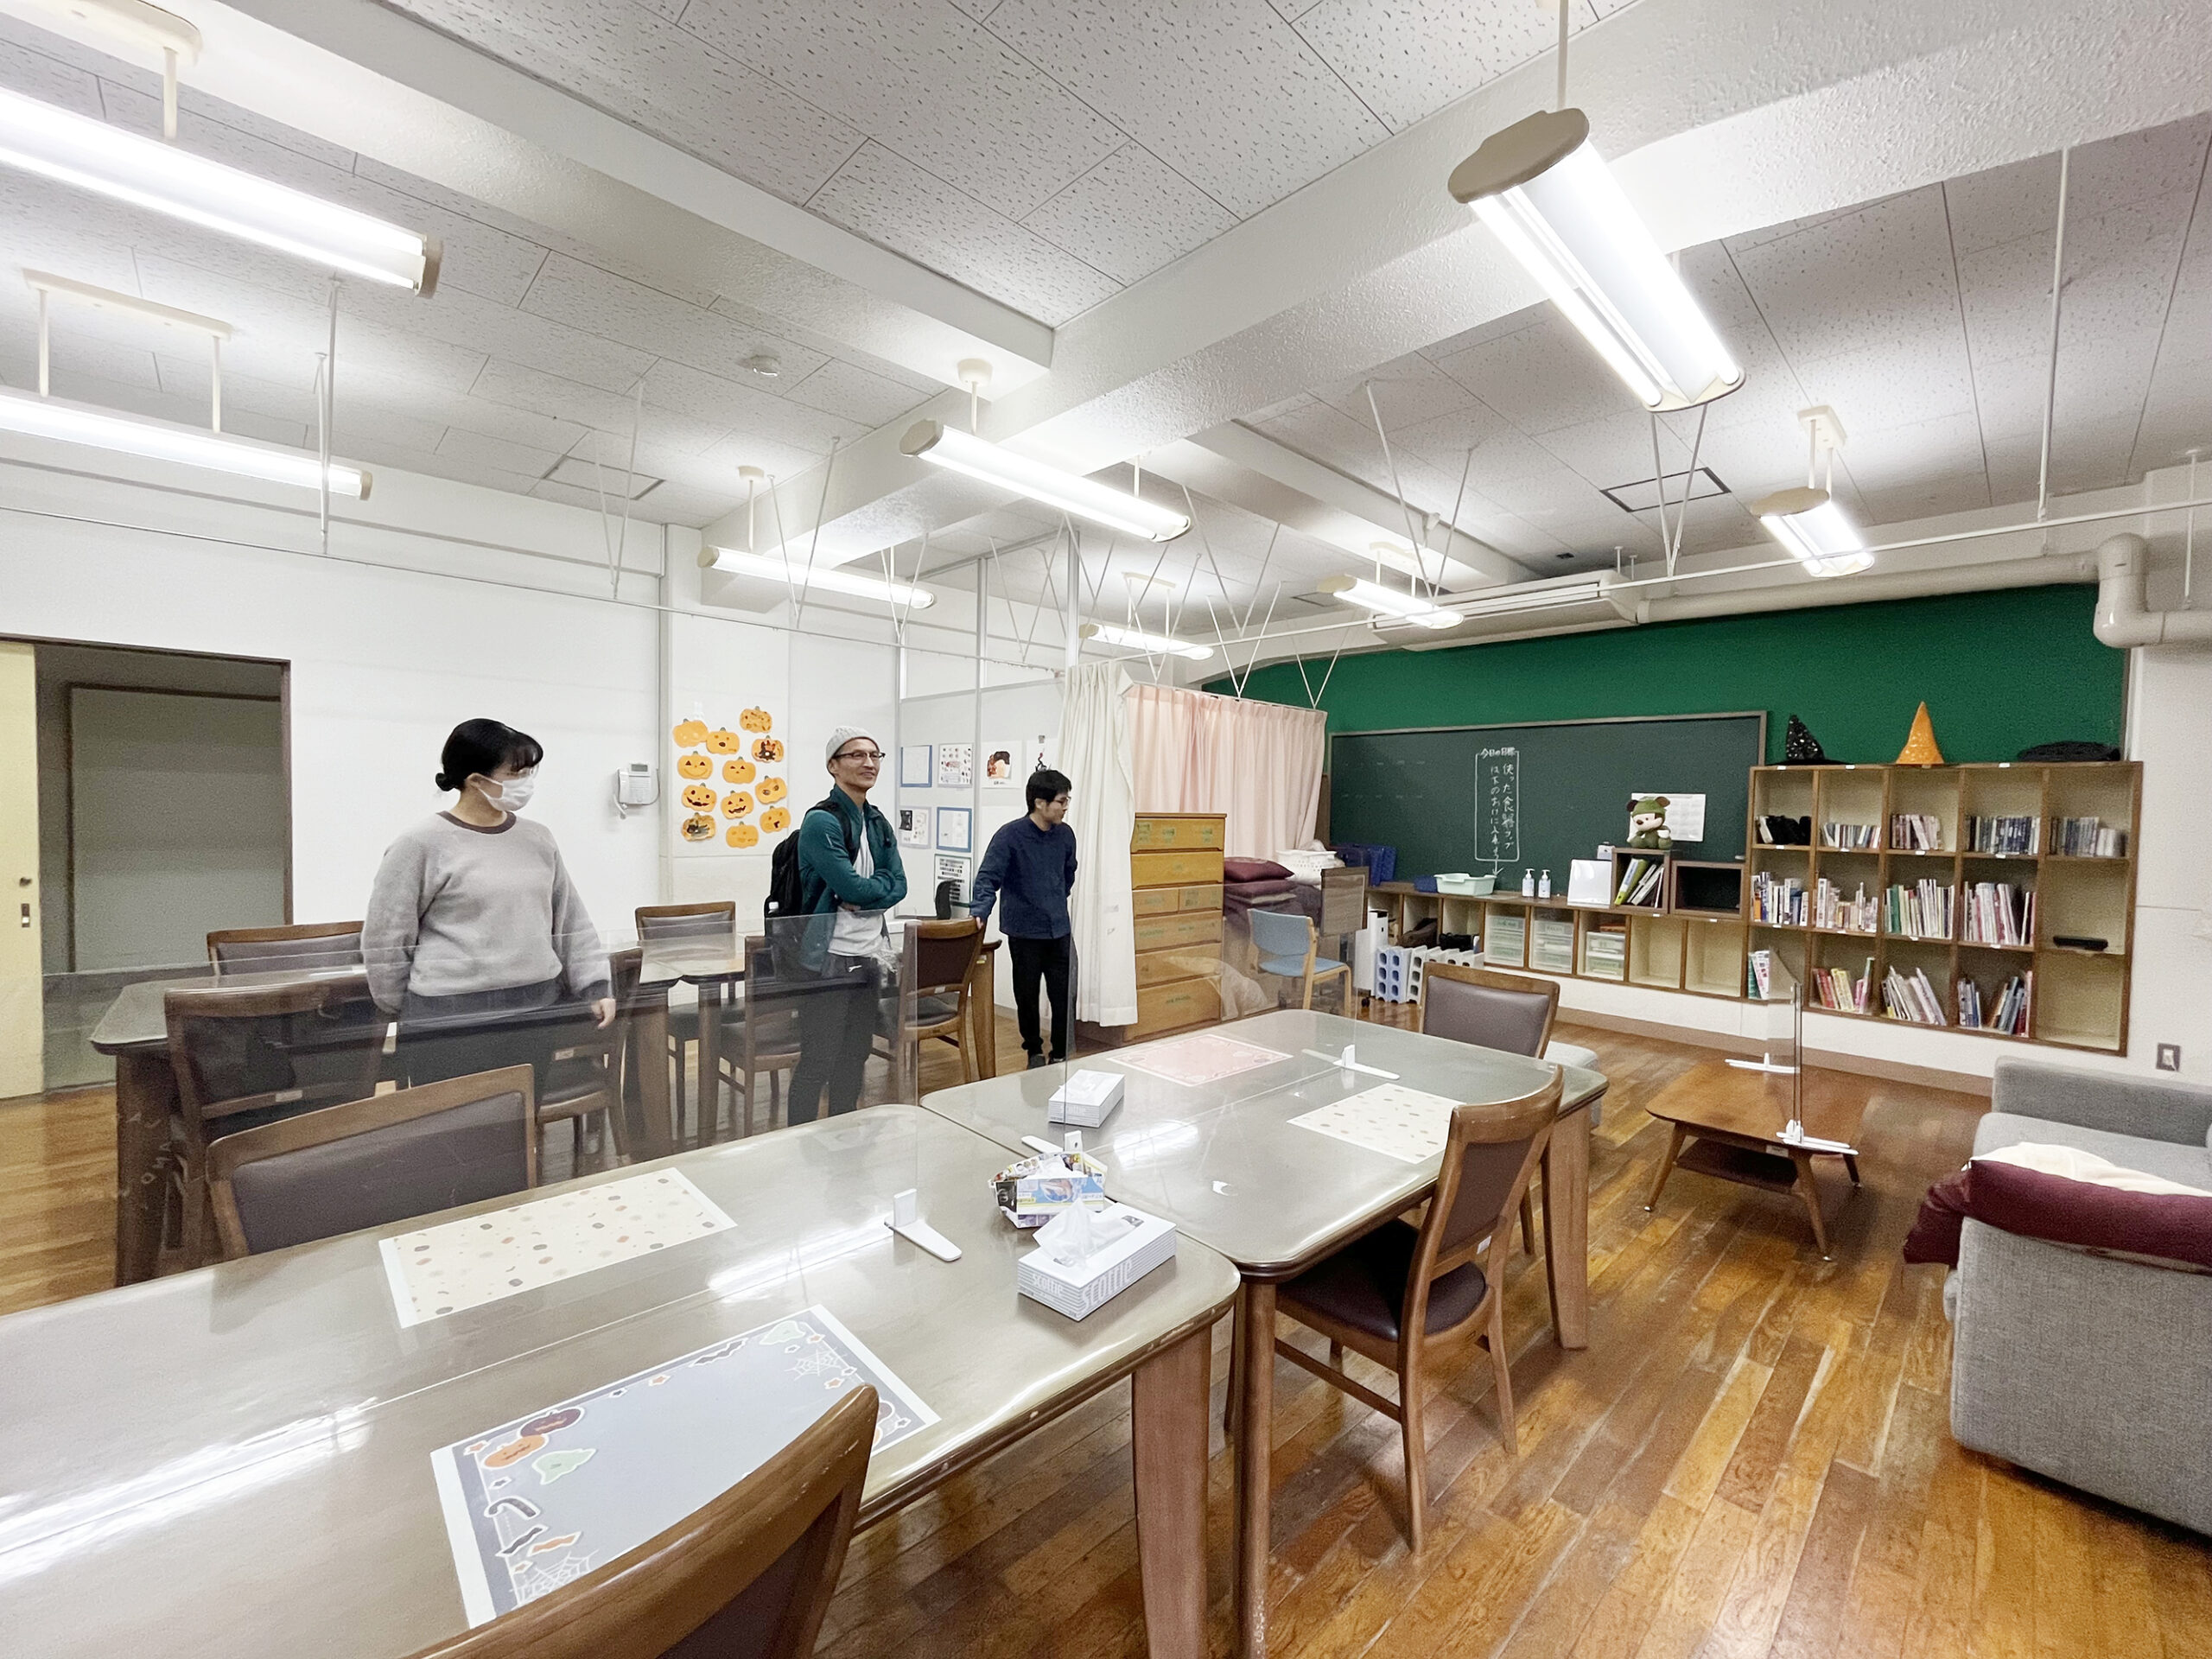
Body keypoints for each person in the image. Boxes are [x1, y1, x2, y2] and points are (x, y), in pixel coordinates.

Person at [365, 719, 613, 1093]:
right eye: (516, 773)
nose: (526, 781)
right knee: (455, 1121)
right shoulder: (420, 843)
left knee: (520, 1115)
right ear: (476, 780)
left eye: (530, 771)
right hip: (450, 1021)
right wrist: (402, 1004)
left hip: (534, 1011)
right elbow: (386, 935)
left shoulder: (538, 838)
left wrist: (595, 985)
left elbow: (570, 919)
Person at [787, 726, 907, 1122]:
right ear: (833, 766)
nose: (869, 763)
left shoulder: (877, 821)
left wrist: (869, 891)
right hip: (828, 959)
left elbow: (900, 884)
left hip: (869, 954)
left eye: (875, 755)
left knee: (855, 1055)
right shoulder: (821, 821)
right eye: (856, 755)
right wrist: (874, 887)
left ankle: (844, 1131)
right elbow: (847, 885)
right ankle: (797, 1138)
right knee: (818, 1059)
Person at [969, 769, 1077, 1070]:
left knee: (1064, 995)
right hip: (1025, 932)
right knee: (1027, 996)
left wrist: (1054, 900)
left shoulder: (1066, 835)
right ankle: (1034, 1051)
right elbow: (988, 878)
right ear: (1040, 803)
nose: (1065, 807)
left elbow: (1068, 874)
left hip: (1059, 929)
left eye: (1067, 800)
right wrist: (980, 911)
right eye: (1061, 801)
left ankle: (1061, 1053)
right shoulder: (1010, 836)